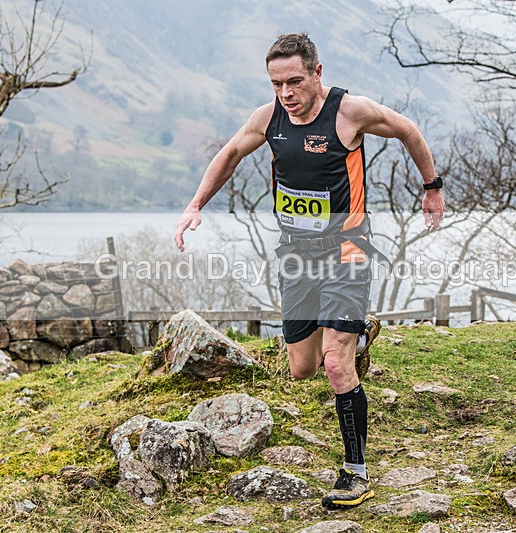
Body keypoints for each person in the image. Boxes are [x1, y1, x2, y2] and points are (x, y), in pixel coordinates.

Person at [174, 33, 444, 509]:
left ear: (318, 74)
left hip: (347, 250)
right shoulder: (270, 117)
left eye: (295, 81)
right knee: (302, 368)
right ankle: (358, 336)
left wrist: (432, 186)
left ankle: (355, 471)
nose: (286, 93)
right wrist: (196, 204)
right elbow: (231, 153)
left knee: (336, 366)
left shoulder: (349, 112)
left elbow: (408, 130)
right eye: (277, 83)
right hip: (296, 257)